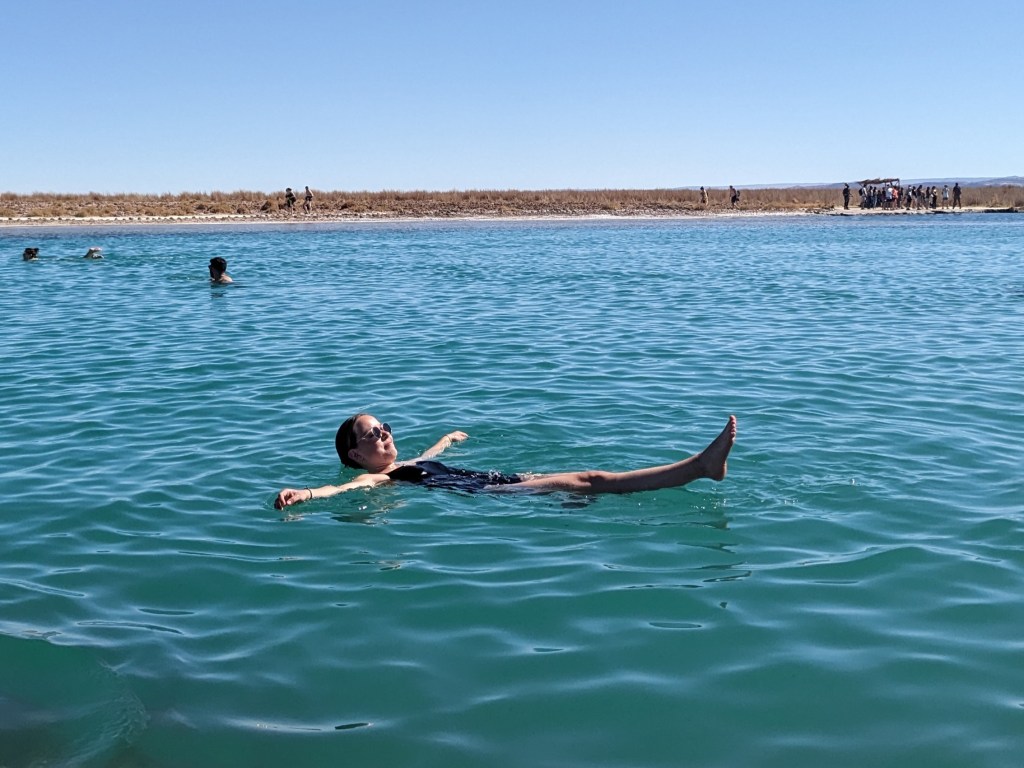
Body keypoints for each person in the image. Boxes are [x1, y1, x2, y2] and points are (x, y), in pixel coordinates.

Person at [274, 413, 737, 509]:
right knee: (591, 478)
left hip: (496, 479)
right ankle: (699, 466)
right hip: (488, 493)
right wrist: (308, 493)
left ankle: (697, 467)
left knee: (580, 481)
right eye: (374, 433)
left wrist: (447, 439)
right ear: (356, 455)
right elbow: (345, 489)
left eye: (386, 425)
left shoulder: (403, 463)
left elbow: (431, 457)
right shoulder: (379, 482)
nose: (385, 434)